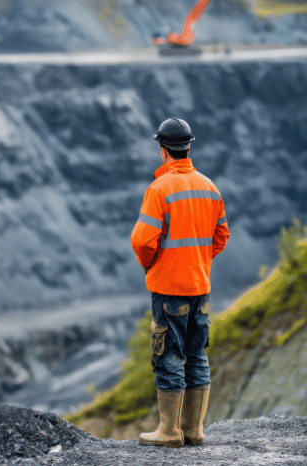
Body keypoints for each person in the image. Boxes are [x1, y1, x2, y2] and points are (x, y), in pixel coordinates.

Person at [131, 117, 230, 447]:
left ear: (163, 151)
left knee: (169, 356)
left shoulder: (159, 190)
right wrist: (197, 261)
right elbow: (221, 236)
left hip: (169, 287)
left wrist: (155, 266)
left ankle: (170, 432)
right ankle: (194, 430)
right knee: (197, 354)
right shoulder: (210, 188)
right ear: (188, 148)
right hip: (200, 286)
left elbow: (143, 241)